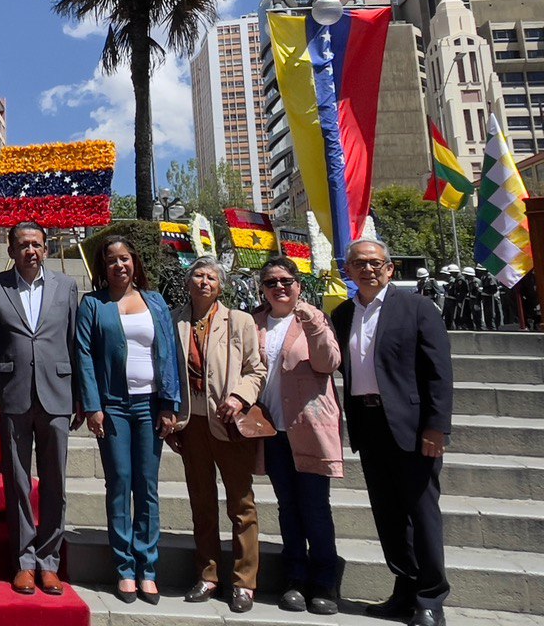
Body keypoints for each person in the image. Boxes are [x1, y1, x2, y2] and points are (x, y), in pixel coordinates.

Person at [331, 239, 453, 626]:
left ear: (389, 269)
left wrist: (436, 427)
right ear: (347, 270)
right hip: (369, 426)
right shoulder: (343, 313)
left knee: (421, 513)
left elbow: (439, 372)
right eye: (359, 263)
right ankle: (405, 589)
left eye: (375, 263)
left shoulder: (417, 308)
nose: (367, 269)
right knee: (388, 514)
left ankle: (430, 599)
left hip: (412, 427)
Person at [74, 235, 180, 605]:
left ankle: (147, 567)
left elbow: (169, 351)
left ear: (134, 262)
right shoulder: (93, 304)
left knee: (146, 487)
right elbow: (84, 355)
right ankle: (124, 567)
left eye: (124, 259)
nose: (119, 265)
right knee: (119, 483)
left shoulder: (155, 302)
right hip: (114, 405)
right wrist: (92, 405)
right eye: (111, 261)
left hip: (150, 405)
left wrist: (171, 403)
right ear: (103, 268)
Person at [0, 221, 82, 598]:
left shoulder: (66, 287)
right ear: (11, 250)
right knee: (18, 482)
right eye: (23, 245)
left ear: (46, 249)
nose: (30, 251)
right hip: (13, 395)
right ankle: (23, 562)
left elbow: (75, 342)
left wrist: (80, 396)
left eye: (37, 244)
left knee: (54, 481)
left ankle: (49, 561)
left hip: (57, 394)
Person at [169, 255, 266, 614]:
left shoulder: (238, 320)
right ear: (188, 281)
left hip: (228, 422)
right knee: (202, 502)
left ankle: (244, 582)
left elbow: (256, 369)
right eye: (198, 275)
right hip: (190, 422)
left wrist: (240, 397)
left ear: (220, 286)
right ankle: (208, 575)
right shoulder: (175, 319)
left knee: (241, 504)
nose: (204, 282)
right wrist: (171, 418)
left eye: (211, 277)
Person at [254, 257, 342, 615]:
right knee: (288, 507)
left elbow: (328, 363)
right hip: (273, 430)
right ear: (263, 289)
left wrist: (312, 321)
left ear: (298, 285)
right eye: (271, 282)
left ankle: (324, 581)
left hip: (309, 428)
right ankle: (294, 576)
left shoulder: (312, 319)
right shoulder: (255, 322)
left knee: (315, 507)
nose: (279, 288)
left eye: (286, 281)